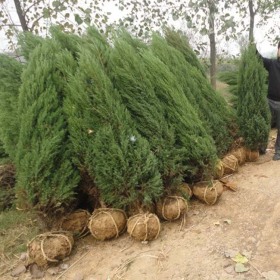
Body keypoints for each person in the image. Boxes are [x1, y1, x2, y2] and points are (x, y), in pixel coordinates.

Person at [256, 41, 280, 160]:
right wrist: (253, 49)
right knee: (266, 124)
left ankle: (278, 151)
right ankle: (262, 147)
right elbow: (260, 59)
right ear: (278, 50)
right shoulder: (272, 64)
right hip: (270, 101)